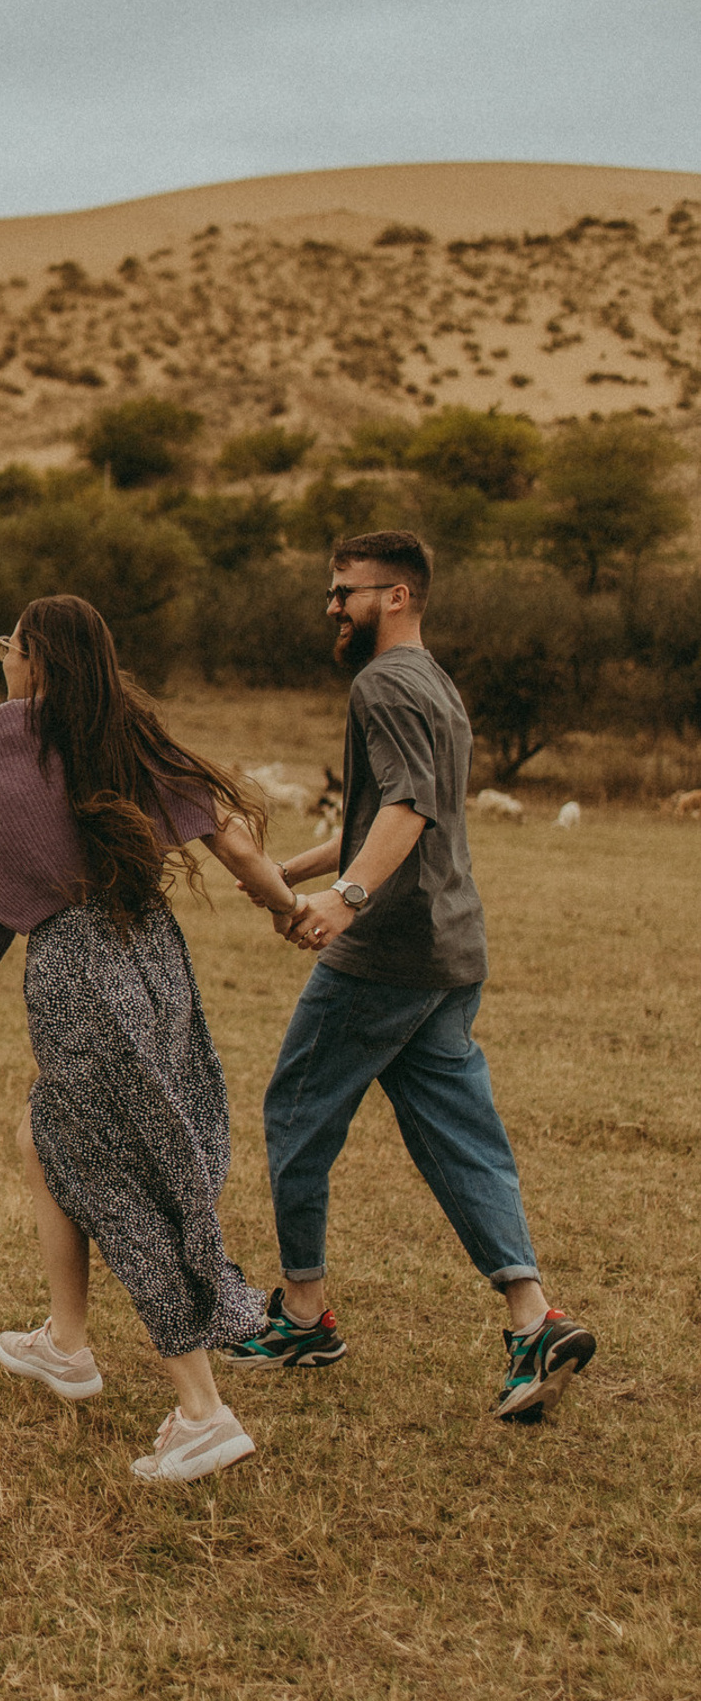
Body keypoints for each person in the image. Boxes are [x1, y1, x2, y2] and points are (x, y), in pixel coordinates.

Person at [221, 530, 596, 1422]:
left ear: (395, 597)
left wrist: (345, 899)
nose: (331, 606)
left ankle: (305, 1315)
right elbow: (399, 816)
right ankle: (533, 1318)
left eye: (344, 590)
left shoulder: (382, 683)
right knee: (460, 1135)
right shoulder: (435, 683)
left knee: (296, 1111)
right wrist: (290, 874)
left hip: (386, 953)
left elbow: (410, 806)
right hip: (449, 948)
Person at [0, 593, 299, 1484]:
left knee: (116, 1177)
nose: (3, 661)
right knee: (44, 1135)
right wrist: (293, 911)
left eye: (8, 647)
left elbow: (5, 868)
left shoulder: (8, 737)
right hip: (154, 960)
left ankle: (201, 1409)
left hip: (77, 972)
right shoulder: (127, 735)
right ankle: (67, 1342)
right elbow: (236, 847)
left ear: (35, 659)